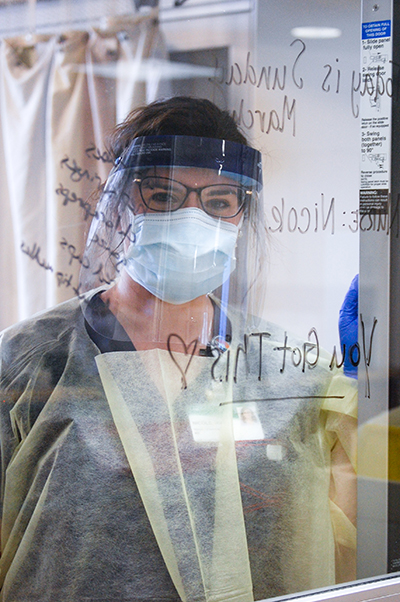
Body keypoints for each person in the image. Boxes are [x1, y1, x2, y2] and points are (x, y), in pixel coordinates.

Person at [0, 97, 357, 602]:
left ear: (240, 212)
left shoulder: (289, 372)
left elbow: (349, 534)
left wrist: (380, 385)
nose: (193, 218)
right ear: (123, 201)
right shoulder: (27, 363)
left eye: (217, 202)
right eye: (164, 195)